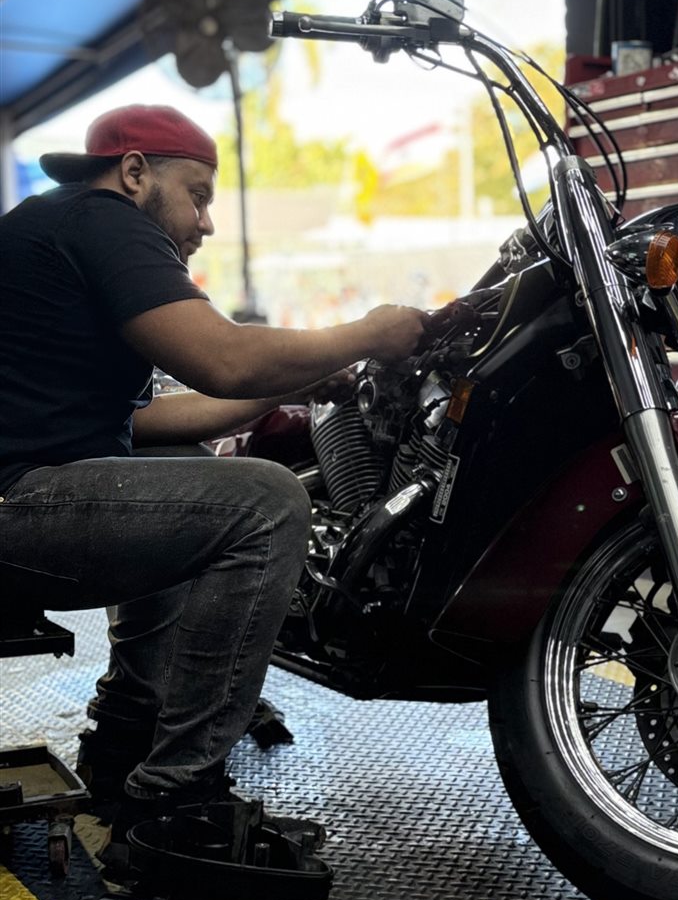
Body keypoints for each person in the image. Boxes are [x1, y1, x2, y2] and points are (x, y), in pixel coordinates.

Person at [0, 103, 425, 842]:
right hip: (16, 503)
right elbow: (222, 357)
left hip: (25, 489)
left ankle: (126, 734)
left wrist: (292, 383)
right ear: (135, 173)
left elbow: (141, 426)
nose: (206, 222)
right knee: (266, 500)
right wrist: (370, 333)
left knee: (185, 471)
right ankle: (178, 797)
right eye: (197, 194)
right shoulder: (105, 221)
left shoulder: (59, 228)